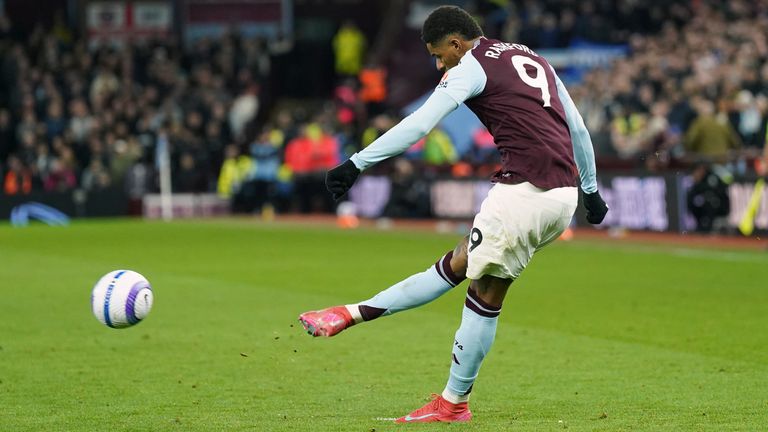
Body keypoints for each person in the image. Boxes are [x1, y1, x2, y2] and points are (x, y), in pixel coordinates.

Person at [298, 6, 608, 423]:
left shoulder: (470, 65)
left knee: (484, 293)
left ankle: (453, 402)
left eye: (439, 54)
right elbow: (579, 128)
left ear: (456, 43)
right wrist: (590, 190)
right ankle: (351, 313)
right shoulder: (532, 56)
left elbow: (421, 123)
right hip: (561, 197)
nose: (438, 64)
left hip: (524, 192)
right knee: (460, 262)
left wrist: (356, 162)